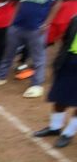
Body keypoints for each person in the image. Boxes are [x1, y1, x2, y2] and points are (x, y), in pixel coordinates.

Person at [32, 15, 77, 147]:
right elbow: (66, 39)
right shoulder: (75, 19)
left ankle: (68, 133)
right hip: (69, 60)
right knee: (60, 97)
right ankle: (55, 127)